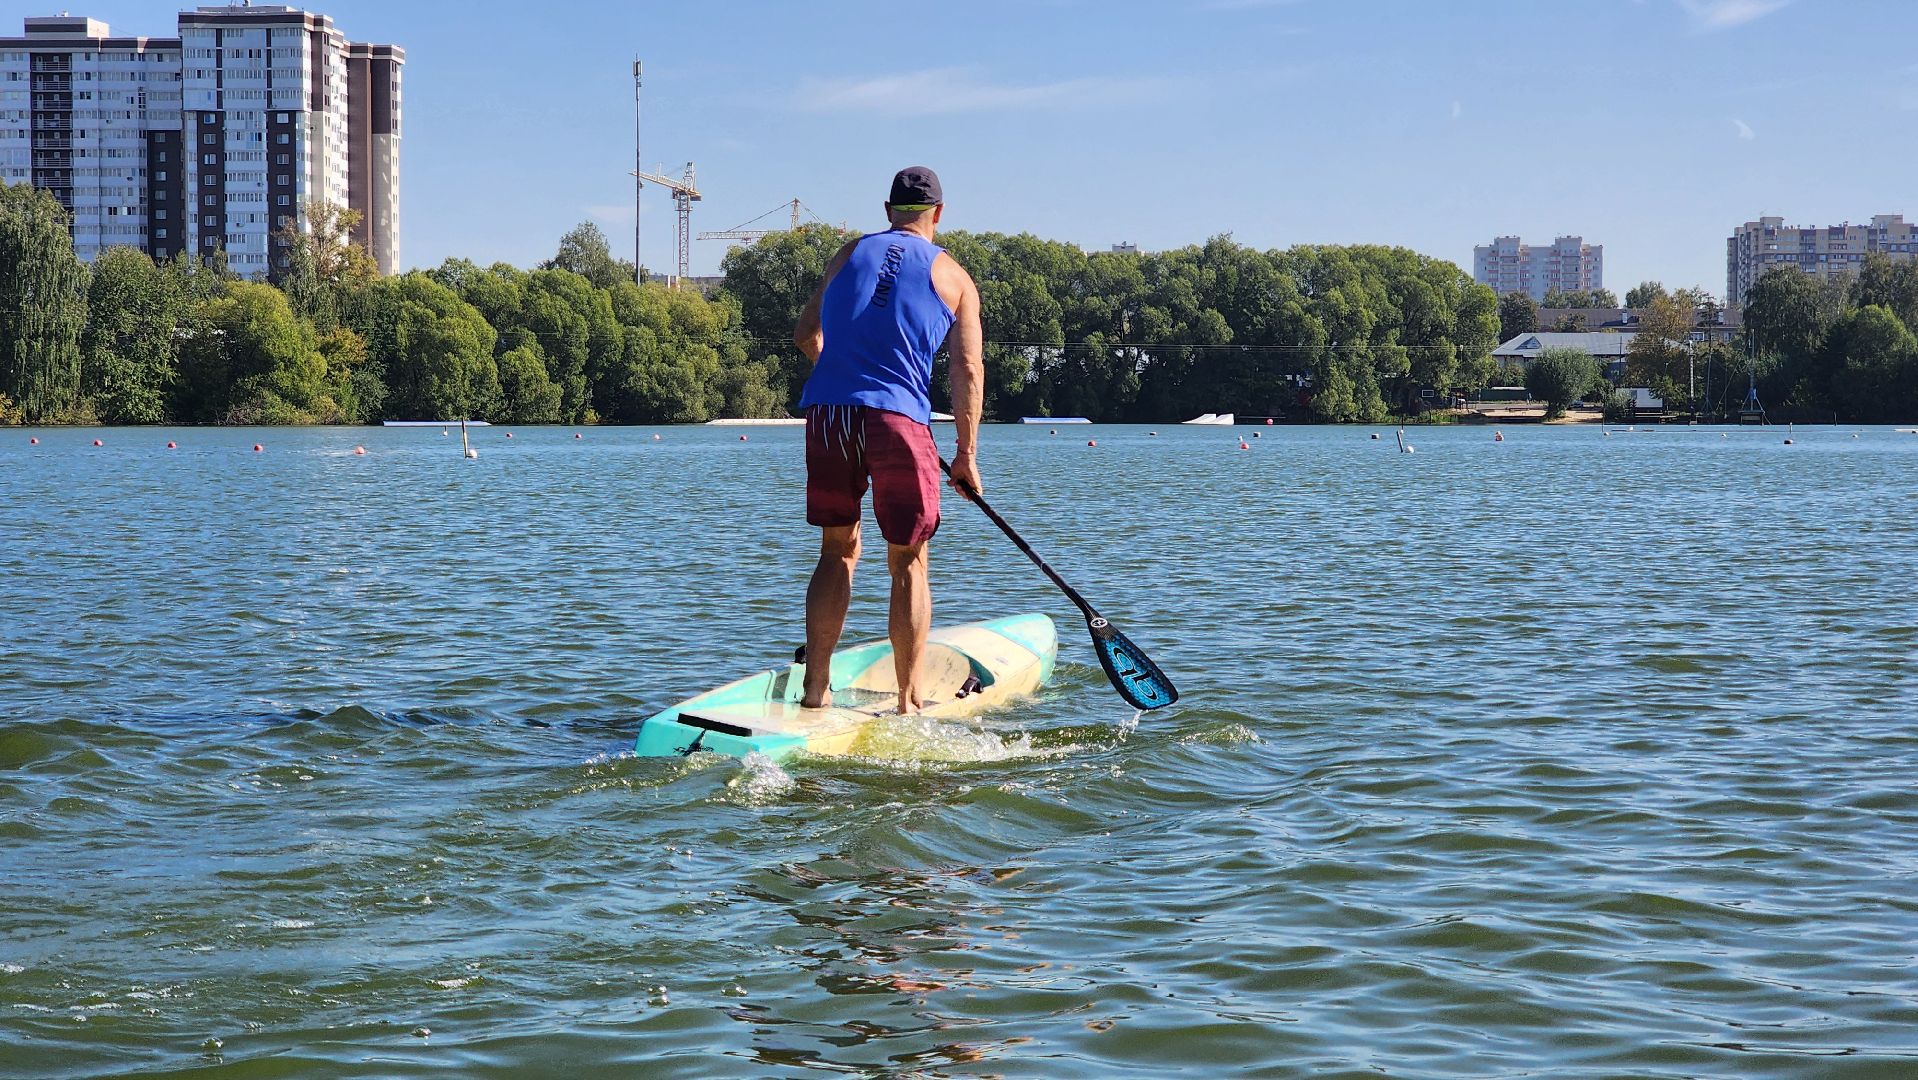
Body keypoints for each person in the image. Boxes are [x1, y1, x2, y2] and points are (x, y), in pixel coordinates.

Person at [791, 165, 984, 714]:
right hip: (899, 421)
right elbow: (967, 369)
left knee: (836, 551)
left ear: (887, 211)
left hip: (829, 415)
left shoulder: (848, 254)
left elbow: (806, 334)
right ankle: (908, 700)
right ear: (939, 215)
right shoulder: (955, 277)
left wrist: (841, 379)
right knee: (908, 560)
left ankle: (814, 692)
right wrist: (965, 456)